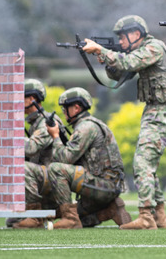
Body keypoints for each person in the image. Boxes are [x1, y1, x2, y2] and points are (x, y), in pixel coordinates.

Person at [82, 15, 166, 230]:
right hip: (153, 111)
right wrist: (105, 59)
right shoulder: (141, 50)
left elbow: (129, 62)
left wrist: (101, 51)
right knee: (148, 165)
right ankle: (159, 216)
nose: (121, 42)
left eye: (123, 37)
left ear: (136, 34)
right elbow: (120, 74)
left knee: (142, 164)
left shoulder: (153, 48)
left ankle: (146, 217)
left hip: (161, 112)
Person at [15, 87, 129, 229]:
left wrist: (56, 136)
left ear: (76, 108)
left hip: (103, 185)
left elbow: (65, 159)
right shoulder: (86, 124)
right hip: (101, 185)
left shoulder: (86, 127)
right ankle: (109, 210)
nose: (64, 112)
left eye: (65, 108)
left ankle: (71, 219)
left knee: (56, 169)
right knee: (62, 215)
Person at [7, 79, 66, 228]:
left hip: (54, 178)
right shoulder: (35, 123)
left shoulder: (47, 122)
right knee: (12, 221)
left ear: (32, 99)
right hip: (44, 178)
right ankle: (35, 211)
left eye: (22, 98)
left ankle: (36, 217)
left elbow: (31, 148)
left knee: (23, 167)